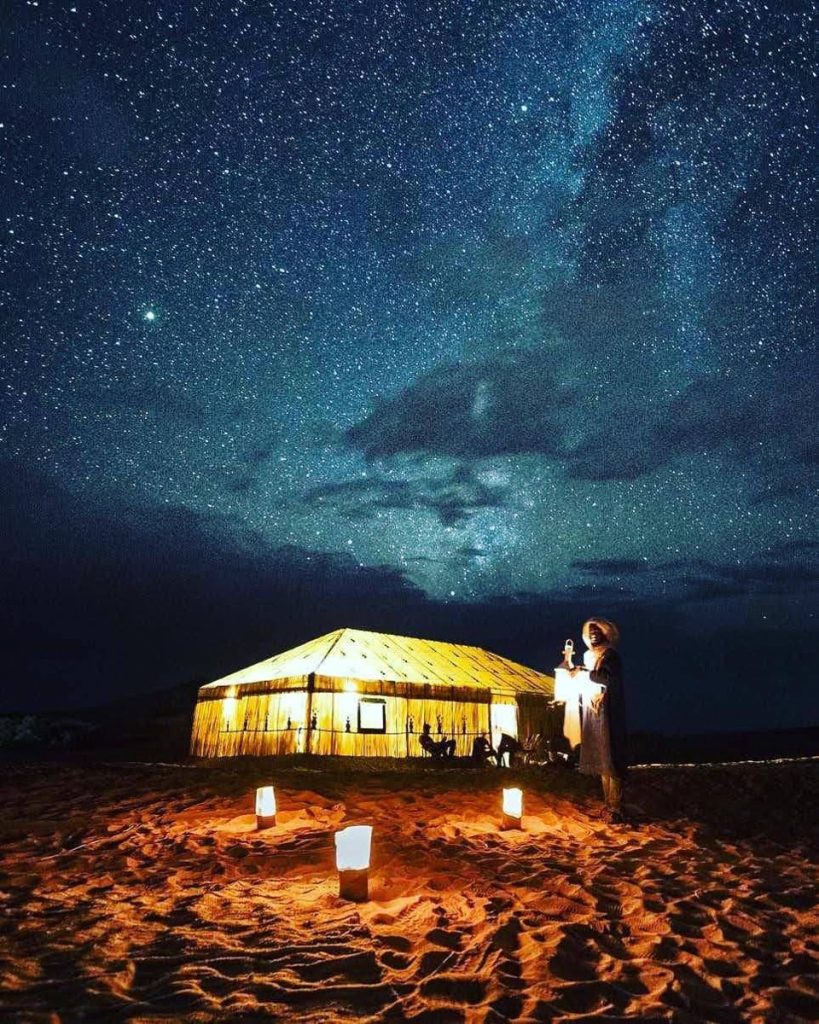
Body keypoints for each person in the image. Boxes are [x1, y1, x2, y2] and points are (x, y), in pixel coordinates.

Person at [570, 618, 627, 822]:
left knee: (611, 758)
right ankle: (608, 804)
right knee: (602, 759)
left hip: (607, 710)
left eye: (597, 631)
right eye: (590, 631)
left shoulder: (610, 655)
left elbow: (606, 678)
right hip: (593, 710)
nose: (593, 634)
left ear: (605, 633)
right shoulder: (589, 656)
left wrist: (585, 673)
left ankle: (616, 807)